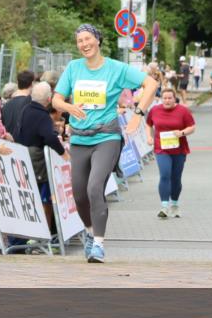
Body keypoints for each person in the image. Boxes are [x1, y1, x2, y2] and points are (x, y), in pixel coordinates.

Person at [52, 24, 157, 263]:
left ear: (97, 40)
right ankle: (89, 233)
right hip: (79, 138)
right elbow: (56, 100)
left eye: (88, 39)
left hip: (107, 137)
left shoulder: (116, 69)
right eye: (80, 41)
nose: (84, 44)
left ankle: (99, 244)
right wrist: (68, 107)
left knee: (94, 187)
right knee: (79, 194)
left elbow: (150, 84)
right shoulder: (73, 68)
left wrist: (138, 115)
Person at [15, 82, 66, 236]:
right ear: (49, 99)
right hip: (37, 158)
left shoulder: (26, 109)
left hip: (24, 154)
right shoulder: (42, 114)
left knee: (32, 195)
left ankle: (33, 232)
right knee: (44, 198)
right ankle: (45, 233)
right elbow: (49, 137)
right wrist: (63, 153)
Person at [145, 88, 196, 218]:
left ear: (174, 99)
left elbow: (192, 127)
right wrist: (149, 137)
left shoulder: (183, 111)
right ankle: (164, 207)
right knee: (165, 174)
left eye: (170, 98)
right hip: (161, 149)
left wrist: (182, 132)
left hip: (179, 149)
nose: (167, 100)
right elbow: (148, 124)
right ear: (162, 99)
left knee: (176, 177)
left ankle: (174, 204)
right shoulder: (155, 110)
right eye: (165, 98)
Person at [1, 69, 35, 136]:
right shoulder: (32, 105)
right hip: (25, 145)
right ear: (32, 84)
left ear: (18, 82)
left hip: (8, 143)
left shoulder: (6, 105)